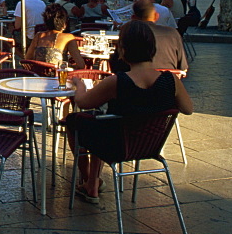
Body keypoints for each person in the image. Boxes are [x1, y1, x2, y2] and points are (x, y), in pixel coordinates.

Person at [68, 19, 193, 203]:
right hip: (150, 145)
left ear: (123, 49)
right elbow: (188, 109)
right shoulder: (170, 80)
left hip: (117, 146)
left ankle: (89, 180)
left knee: (75, 121)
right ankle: (92, 183)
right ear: (153, 47)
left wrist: (79, 84)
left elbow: (83, 102)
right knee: (101, 123)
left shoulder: (118, 81)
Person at [120, 0, 188, 72]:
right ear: (156, 16)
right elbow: (183, 67)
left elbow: (119, 65)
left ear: (133, 17)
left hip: (137, 80)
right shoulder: (173, 33)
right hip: (168, 79)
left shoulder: (128, 32)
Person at [24, 4, 85, 69]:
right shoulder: (68, 38)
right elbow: (81, 65)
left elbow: (27, 59)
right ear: (64, 23)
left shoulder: (38, 36)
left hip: (38, 76)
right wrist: (68, 66)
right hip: (58, 77)